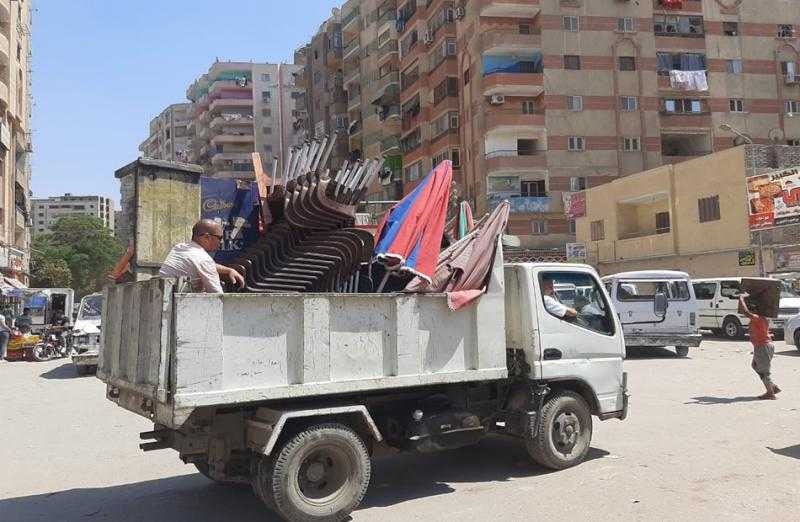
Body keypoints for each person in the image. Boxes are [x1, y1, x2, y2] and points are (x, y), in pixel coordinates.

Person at [159, 219, 244, 293]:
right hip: (174, 305)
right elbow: (218, 297)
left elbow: (201, 264)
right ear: (207, 237)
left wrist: (229, 270)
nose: (221, 242)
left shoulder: (180, 247)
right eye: (220, 237)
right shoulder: (202, 258)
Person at [739, 293, 781, 400]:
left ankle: (770, 393)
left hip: (763, 346)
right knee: (755, 366)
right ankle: (771, 386)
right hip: (763, 346)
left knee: (763, 370)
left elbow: (745, 312)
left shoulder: (757, 318)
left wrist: (741, 298)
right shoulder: (761, 318)